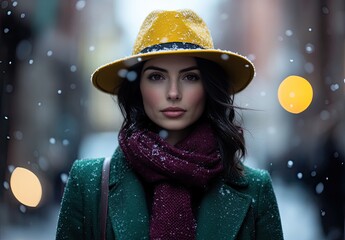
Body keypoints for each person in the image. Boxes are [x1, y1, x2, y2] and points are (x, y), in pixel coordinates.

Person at [56, 9, 284, 240]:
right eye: (156, 77)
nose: (173, 93)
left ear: (208, 87)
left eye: (190, 77)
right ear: (138, 89)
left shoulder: (256, 188)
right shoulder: (88, 184)